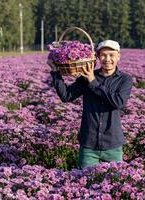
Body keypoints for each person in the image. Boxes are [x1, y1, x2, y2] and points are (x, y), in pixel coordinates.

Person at [48, 40, 133, 169]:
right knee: (85, 183)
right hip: (89, 145)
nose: (107, 59)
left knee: (114, 185)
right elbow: (66, 96)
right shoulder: (86, 77)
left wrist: (93, 82)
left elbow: (118, 102)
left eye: (111, 55)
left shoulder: (124, 79)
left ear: (118, 56)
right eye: (103, 55)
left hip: (113, 146)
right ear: (97, 57)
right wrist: (56, 73)